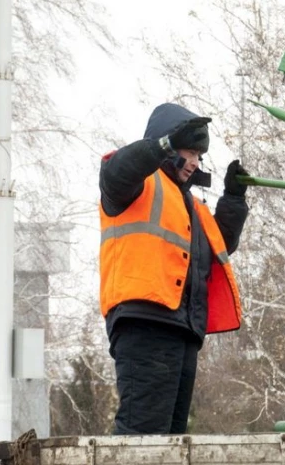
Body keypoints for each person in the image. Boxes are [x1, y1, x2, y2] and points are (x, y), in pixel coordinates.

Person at [98, 103, 249, 435]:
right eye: (189, 151)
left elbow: (218, 245)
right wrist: (162, 146)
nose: (195, 162)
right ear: (165, 145)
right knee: (144, 435)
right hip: (146, 322)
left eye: (200, 155)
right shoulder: (135, 184)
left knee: (170, 440)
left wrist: (234, 199)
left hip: (181, 329)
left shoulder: (190, 205)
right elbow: (117, 171)